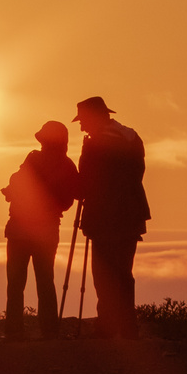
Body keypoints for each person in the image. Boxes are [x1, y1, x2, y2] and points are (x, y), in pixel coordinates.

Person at [73, 97, 150, 339]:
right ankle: (127, 325)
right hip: (131, 214)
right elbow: (138, 173)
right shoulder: (131, 136)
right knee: (123, 272)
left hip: (105, 216)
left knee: (104, 273)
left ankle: (107, 325)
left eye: (83, 120)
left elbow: (88, 182)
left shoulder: (97, 143)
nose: (82, 126)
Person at [1, 121, 79, 340]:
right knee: (46, 281)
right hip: (46, 231)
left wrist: (12, 192)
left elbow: (17, 183)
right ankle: (50, 331)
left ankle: (14, 331)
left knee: (16, 283)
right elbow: (69, 199)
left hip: (19, 229)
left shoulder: (33, 159)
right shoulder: (67, 165)